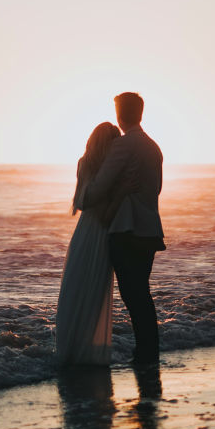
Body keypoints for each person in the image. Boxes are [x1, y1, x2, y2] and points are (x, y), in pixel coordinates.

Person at [83, 92, 165, 364]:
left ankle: (145, 354)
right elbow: (158, 189)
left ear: (120, 114)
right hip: (150, 230)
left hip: (126, 231)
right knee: (141, 294)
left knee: (133, 296)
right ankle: (148, 351)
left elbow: (97, 190)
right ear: (140, 113)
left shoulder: (124, 145)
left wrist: (87, 191)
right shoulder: (154, 147)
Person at [55, 122, 125, 366]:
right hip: (102, 232)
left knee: (77, 288)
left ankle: (71, 348)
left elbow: (81, 202)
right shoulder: (107, 168)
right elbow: (87, 202)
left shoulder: (88, 163)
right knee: (92, 291)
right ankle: (84, 350)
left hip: (87, 231)